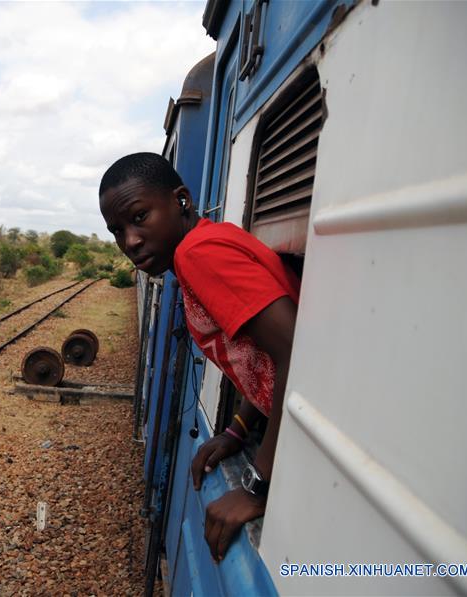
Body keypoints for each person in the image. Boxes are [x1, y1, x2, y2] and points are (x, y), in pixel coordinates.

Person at [98, 152, 300, 562]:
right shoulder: (207, 242)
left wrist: (256, 485)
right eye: (117, 231)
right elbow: (262, 357)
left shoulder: (199, 255)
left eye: (140, 217)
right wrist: (239, 428)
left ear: (182, 200)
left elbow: (297, 353)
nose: (130, 242)